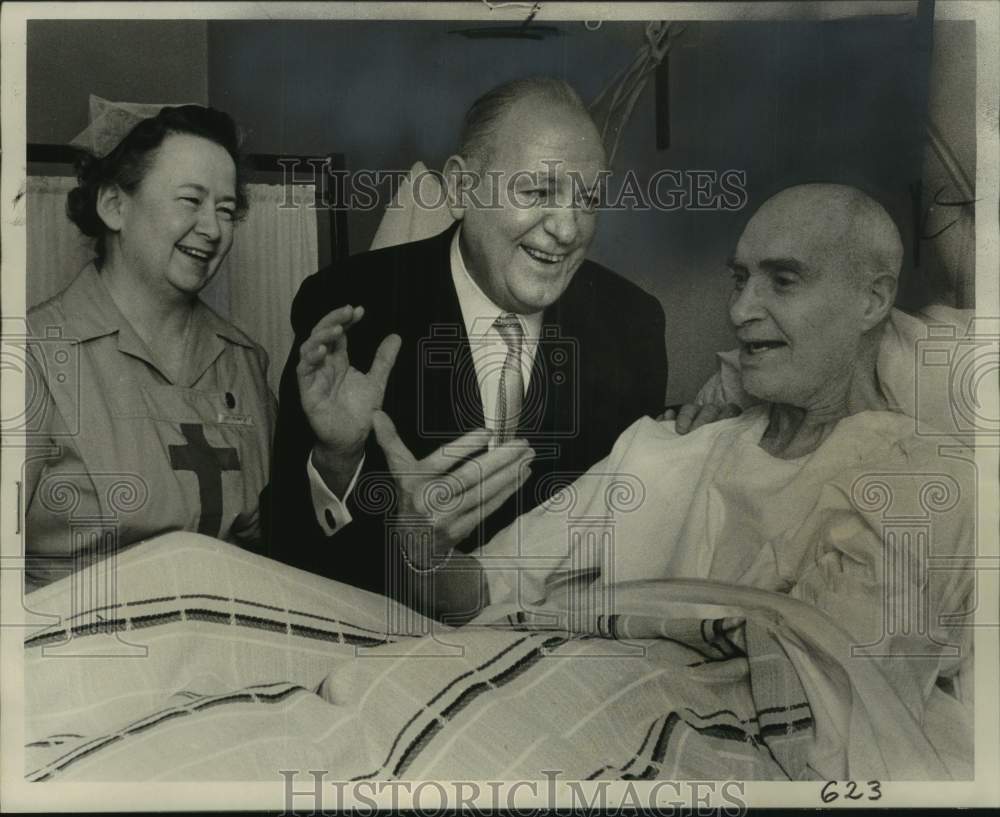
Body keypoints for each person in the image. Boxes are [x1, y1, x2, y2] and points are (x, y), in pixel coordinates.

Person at [401, 182, 974, 717]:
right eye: (739, 279)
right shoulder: (669, 449)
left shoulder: (920, 483)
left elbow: (837, 709)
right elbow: (478, 591)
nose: (740, 310)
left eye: (783, 280)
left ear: (873, 300)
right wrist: (422, 544)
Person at [267, 77, 668, 596]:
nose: (568, 230)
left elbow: (628, 544)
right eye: (537, 192)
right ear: (460, 190)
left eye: (588, 199)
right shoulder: (351, 305)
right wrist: (337, 463)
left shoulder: (632, 325)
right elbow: (286, 548)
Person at [24, 105, 275, 592]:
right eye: (191, 200)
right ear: (114, 206)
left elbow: (277, 545)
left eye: (226, 210)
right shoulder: (32, 356)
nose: (213, 228)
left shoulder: (244, 362)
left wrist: (334, 457)